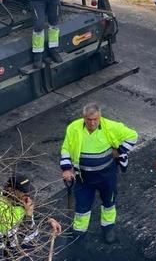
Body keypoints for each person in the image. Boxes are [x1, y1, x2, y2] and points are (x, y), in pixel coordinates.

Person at [59, 103, 138, 244]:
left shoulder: (111, 127)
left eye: (95, 119)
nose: (92, 123)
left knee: (109, 203)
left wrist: (119, 151)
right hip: (83, 177)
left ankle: (108, 229)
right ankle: (78, 233)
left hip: (107, 176)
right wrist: (66, 168)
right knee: (82, 207)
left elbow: (133, 136)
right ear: (84, 118)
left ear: (100, 116)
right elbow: (66, 148)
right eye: (89, 120)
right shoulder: (73, 128)